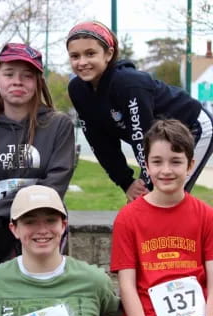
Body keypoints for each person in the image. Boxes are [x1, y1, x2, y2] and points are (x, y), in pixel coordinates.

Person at [66, 21, 213, 202]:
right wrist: (126, 182)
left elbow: (142, 137)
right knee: (146, 200)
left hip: (194, 127)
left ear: (108, 54)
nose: (82, 62)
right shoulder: (77, 90)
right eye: (75, 56)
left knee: (164, 196)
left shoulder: (128, 84)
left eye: (90, 54)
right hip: (155, 140)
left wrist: (146, 181)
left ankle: (188, 229)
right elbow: (100, 143)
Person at [0, 184, 120, 316]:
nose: (42, 230)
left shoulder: (94, 280)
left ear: (63, 225)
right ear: (14, 229)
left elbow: (113, 314)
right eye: (30, 222)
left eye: (51, 220)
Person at [110, 119, 213, 316]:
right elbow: (126, 286)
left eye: (176, 162)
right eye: (157, 162)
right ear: (146, 165)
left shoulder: (206, 215)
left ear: (190, 165)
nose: (166, 170)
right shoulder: (128, 218)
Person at [0, 43, 75, 272]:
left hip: (42, 228)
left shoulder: (58, 125)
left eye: (27, 76)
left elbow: (53, 185)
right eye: (9, 74)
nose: (17, 81)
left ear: (38, 83)